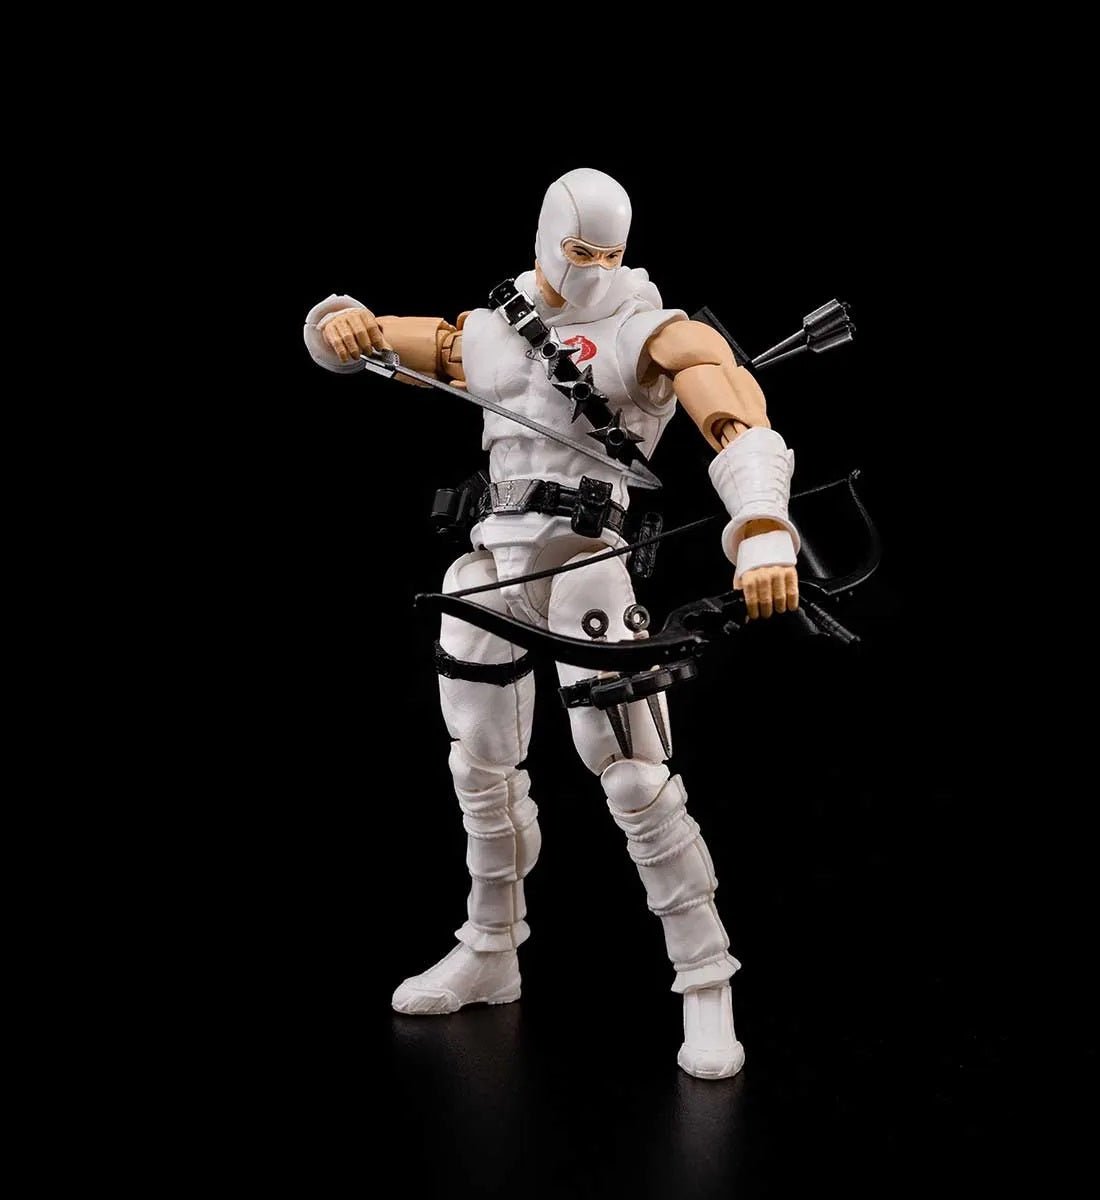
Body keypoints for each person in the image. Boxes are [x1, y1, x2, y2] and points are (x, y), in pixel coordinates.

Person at [303, 168, 802, 1079]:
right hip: (493, 563)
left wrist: (763, 526)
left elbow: (728, 402)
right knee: (479, 769)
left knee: (634, 774)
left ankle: (705, 979)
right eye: (579, 251)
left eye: (610, 254)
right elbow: (389, 341)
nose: (594, 270)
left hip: (584, 567)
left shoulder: (647, 329)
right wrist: (338, 324)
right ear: (544, 239)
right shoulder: (494, 328)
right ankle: (491, 946)